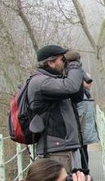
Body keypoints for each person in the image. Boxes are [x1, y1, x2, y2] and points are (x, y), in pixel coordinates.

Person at [27, 45, 86, 173]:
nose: (65, 62)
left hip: (66, 147)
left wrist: (73, 69)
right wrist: (74, 65)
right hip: (56, 151)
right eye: (62, 59)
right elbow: (71, 87)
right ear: (51, 62)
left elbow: (77, 96)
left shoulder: (53, 80)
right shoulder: (41, 82)